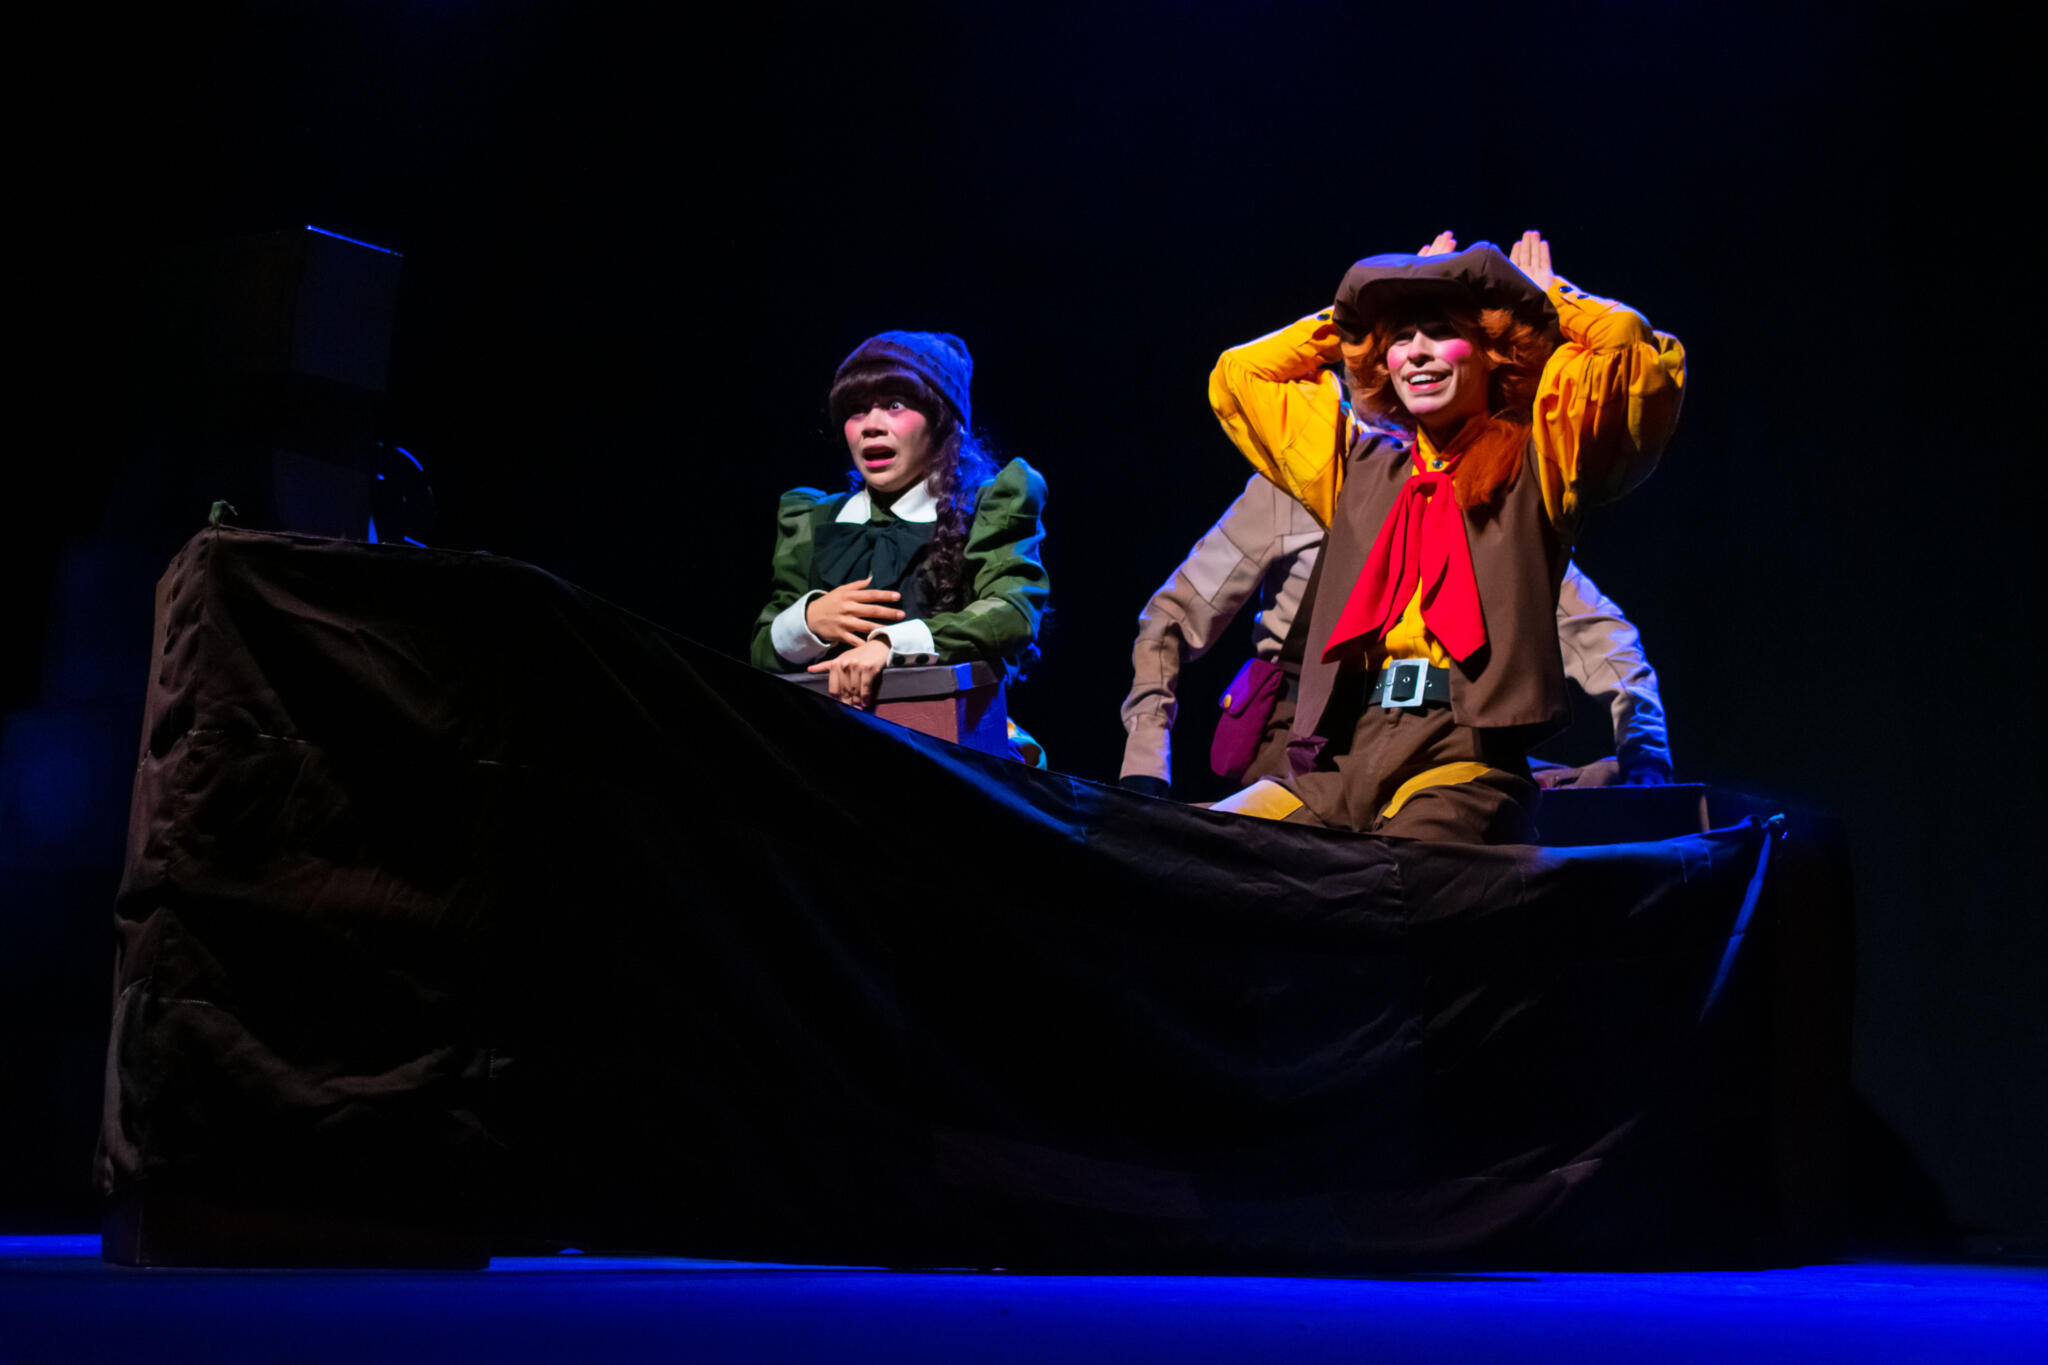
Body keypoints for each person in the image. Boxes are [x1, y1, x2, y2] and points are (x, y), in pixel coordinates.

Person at [1204, 231, 1685, 840]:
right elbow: (1241, 374)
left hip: (1462, 757)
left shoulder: (1540, 459)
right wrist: (1360, 318)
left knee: (1394, 874)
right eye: (1401, 339)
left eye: (1440, 332)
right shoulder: (1361, 467)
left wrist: (1547, 299)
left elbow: (1633, 355)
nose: (1417, 354)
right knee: (1196, 846)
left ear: (1492, 350)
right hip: (1350, 751)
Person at [1114, 472, 1673, 796]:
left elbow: (1599, 632)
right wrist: (1145, 764)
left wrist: (1645, 754)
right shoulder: (1295, 486)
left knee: (1596, 794)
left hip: (1438, 743)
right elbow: (1170, 615)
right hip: (1306, 746)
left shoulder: (1477, 490)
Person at [749, 331, 1050, 715]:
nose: (871, 425)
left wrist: (890, 646)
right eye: (857, 410)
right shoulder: (814, 517)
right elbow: (763, 649)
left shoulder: (988, 506)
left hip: (945, 735)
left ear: (944, 423)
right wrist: (810, 621)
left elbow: (1011, 612)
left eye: (895, 405)